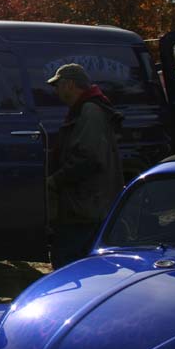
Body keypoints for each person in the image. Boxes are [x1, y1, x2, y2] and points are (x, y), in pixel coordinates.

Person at [46, 64, 123, 268]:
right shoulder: (87, 109)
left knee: (67, 260)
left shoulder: (90, 111)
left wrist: (55, 180)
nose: (56, 91)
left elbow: (88, 158)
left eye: (58, 85)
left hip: (85, 205)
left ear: (70, 85)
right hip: (87, 203)